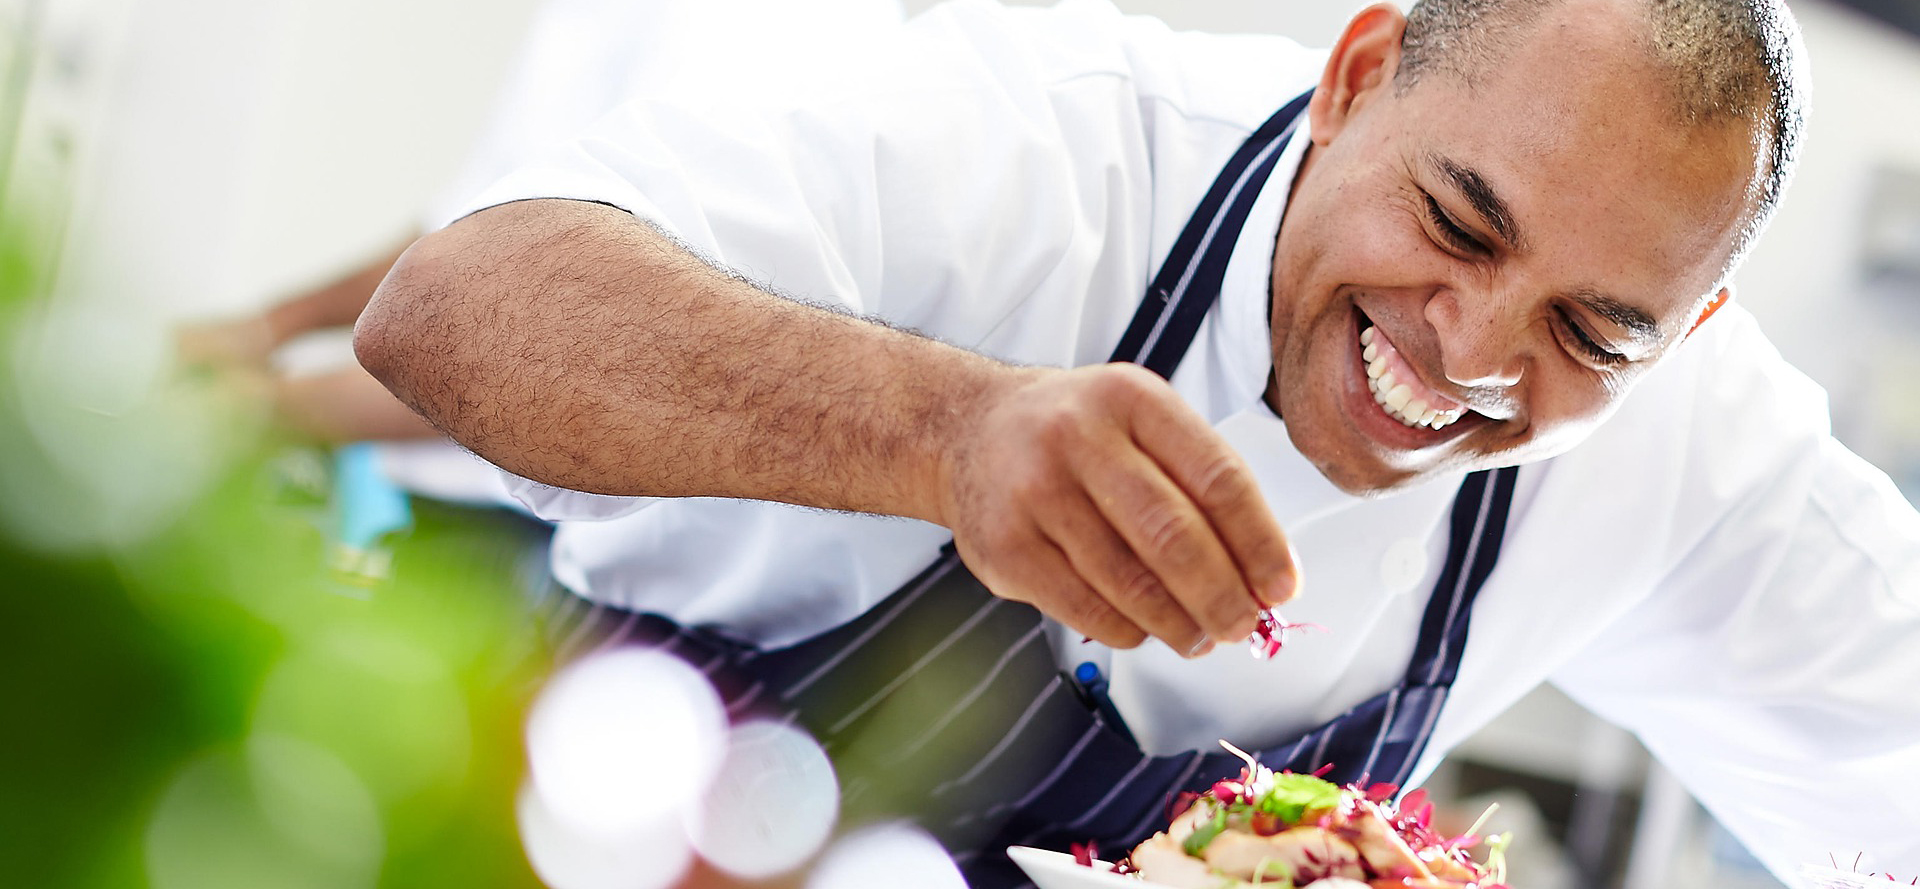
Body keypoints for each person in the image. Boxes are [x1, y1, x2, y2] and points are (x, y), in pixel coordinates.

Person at [353, 0, 1920, 885]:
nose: (1471, 351)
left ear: (1692, 333)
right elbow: (454, 309)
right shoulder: (1030, 140)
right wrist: (946, 432)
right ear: (1357, 77)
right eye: (1455, 222)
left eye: (1595, 333)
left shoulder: (1700, 456)